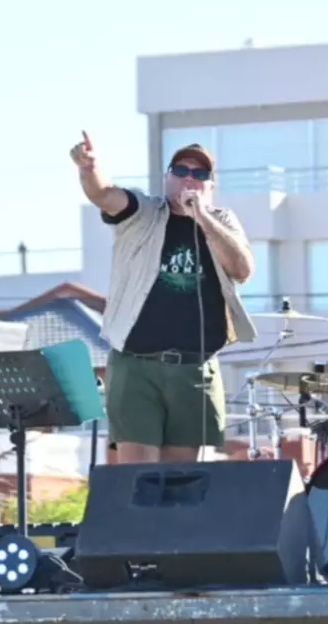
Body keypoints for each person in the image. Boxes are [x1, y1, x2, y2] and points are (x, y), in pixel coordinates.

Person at [71, 131, 257, 464]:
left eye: (199, 173)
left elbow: (242, 269)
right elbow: (104, 194)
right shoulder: (143, 211)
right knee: (138, 475)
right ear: (167, 177)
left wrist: (202, 217)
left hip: (193, 367)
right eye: (181, 170)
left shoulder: (222, 221)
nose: (189, 178)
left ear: (210, 185)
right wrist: (89, 167)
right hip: (136, 364)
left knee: (180, 478)